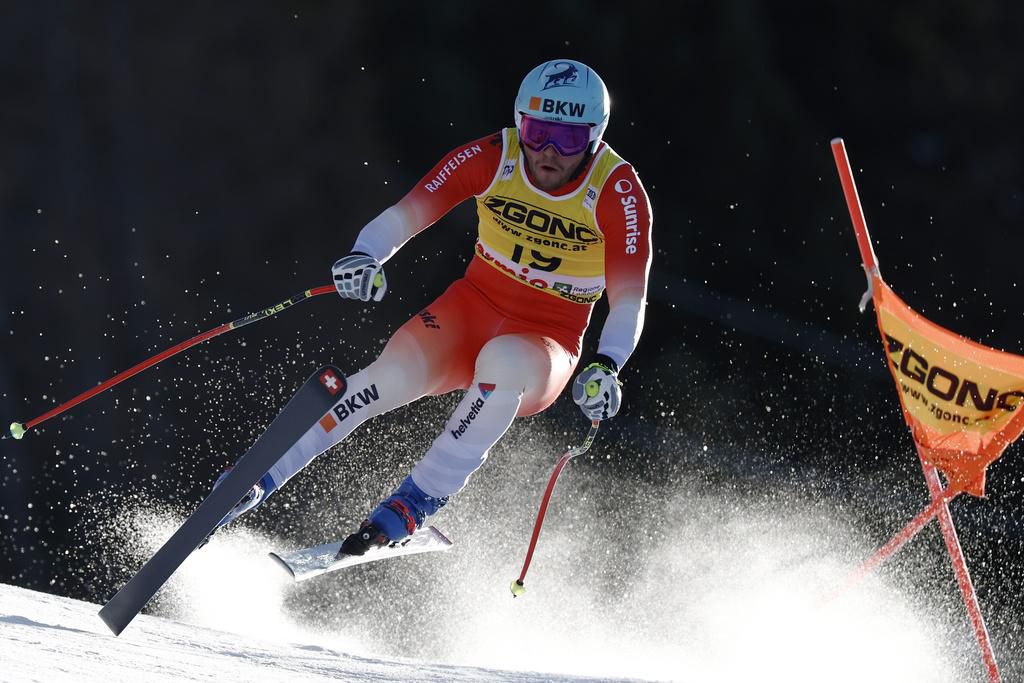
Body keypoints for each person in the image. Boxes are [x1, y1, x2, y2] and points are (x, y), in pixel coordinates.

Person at [213, 59, 653, 555]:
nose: (547, 152)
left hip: (545, 340)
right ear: (518, 122)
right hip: (470, 309)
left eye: (568, 140)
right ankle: (258, 477)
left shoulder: (617, 191)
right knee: (387, 378)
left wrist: (607, 365)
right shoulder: (494, 156)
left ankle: (417, 500)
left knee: (503, 364)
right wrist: (365, 256)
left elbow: (629, 299)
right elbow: (407, 213)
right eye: (536, 132)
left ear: (594, 139)